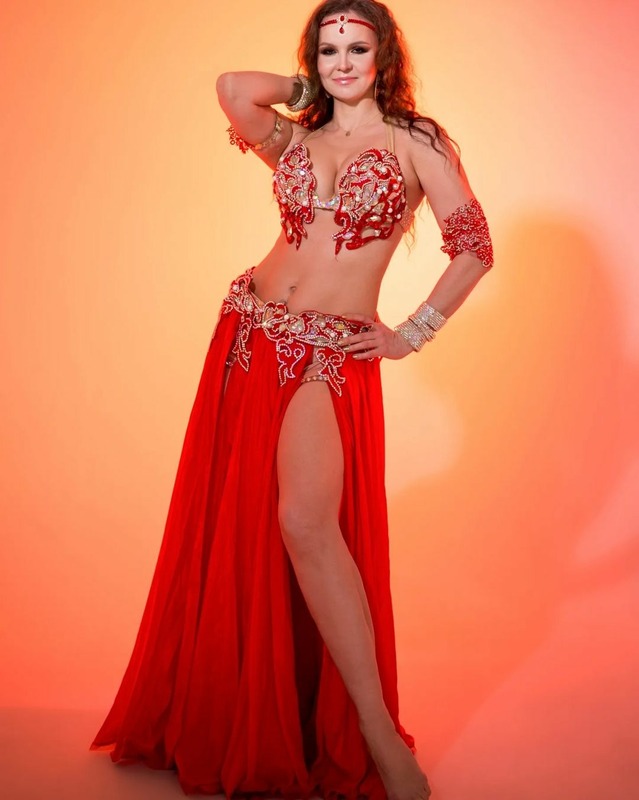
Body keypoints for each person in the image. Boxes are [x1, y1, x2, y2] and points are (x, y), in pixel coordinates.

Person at [89, 1, 493, 799]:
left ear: (384, 56)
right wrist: (310, 87)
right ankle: (245, 713)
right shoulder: (295, 140)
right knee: (239, 522)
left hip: (327, 352)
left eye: (357, 48)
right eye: (328, 48)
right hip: (250, 334)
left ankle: (376, 732)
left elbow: (473, 248)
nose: (343, 62)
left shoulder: (418, 143)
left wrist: (412, 332)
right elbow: (233, 87)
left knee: (304, 522)